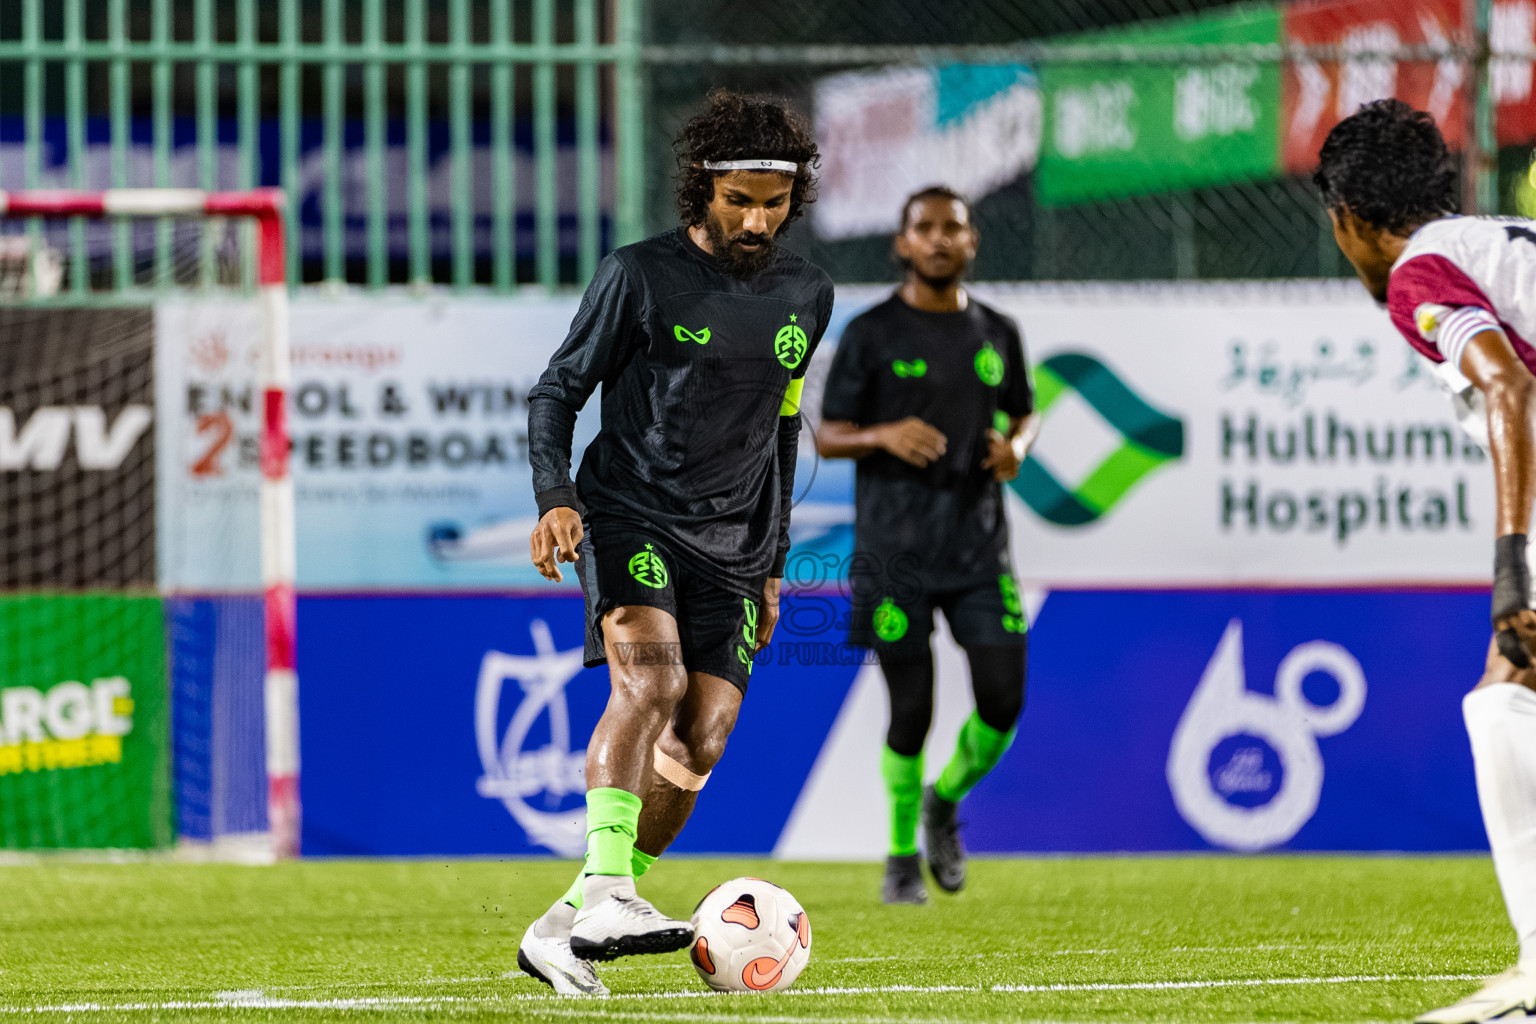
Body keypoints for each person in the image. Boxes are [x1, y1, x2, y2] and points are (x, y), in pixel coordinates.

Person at [514, 89, 832, 997]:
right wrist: (555, 496)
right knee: (652, 681)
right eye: (740, 199)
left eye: (773, 203)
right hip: (630, 514)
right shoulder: (638, 275)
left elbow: (781, 432)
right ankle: (613, 889)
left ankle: (563, 925)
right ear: (701, 188)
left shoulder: (808, 294)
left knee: (703, 735)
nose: (757, 219)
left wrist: (770, 567)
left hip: (733, 544)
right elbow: (557, 391)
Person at [1316, 98, 1536, 1024]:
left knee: (1508, 688)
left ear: (1350, 219)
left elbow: (1508, 384)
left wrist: (1512, 562)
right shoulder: (1508, 240)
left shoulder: (1419, 272)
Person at [816, 186, 1040, 905]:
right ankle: (899, 855)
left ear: (972, 242)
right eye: (925, 228)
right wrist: (882, 434)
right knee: (910, 711)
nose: (940, 239)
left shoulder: (998, 331)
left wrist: (1018, 448)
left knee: (1003, 703)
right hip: (896, 552)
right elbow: (825, 433)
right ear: (902, 243)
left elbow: (1025, 413)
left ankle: (946, 799)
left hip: (979, 551)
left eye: (954, 228)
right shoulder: (872, 333)